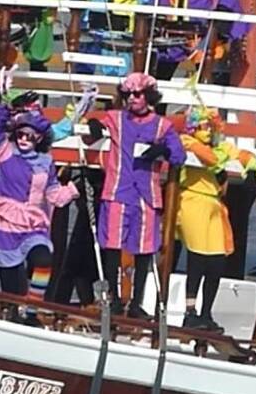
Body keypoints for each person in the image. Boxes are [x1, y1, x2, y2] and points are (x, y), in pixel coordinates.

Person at [78, 72, 182, 317]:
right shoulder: (116, 118)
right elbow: (93, 128)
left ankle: (137, 302)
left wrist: (162, 150)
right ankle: (113, 298)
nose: (133, 99)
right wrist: (93, 125)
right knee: (112, 245)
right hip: (118, 191)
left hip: (147, 196)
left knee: (145, 249)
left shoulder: (162, 125)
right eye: (128, 95)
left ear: (148, 96)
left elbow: (179, 154)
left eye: (138, 94)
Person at [0, 94, 78, 320]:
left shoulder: (46, 162)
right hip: (6, 223)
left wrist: (73, 189)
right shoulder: (6, 152)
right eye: (20, 133)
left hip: (32, 222)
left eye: (29, 136)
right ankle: (16, 317)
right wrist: (9, 106)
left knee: (43, 259)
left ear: (39, 138)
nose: (23, 139)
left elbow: (53, 194)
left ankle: (31, 310)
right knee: (12, 287)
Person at [175, 106, 256, 333]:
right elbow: (208, 157)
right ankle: (189, 312)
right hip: (193, 199)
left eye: (210, 127)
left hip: (214, 204)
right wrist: (219, 165)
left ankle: (206, 312)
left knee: (217, 261)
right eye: (202, 127)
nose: (208, 132)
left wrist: (251, 169)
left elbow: (247, 156)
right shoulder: (187, 141)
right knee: (198, 257)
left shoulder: (222, 147)